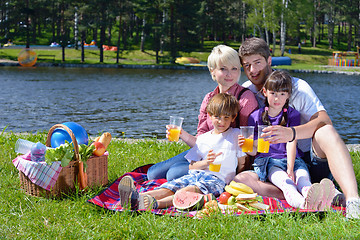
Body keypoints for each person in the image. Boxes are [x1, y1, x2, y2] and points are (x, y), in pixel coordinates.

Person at [235, 37, 360, 218]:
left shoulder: (298, 87)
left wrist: (291, 133)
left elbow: (325, 119)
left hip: (307, 161)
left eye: (257, 63)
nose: (253, 70)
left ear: (269, 61)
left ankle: (352, 200)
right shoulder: (247, 92)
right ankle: (313, 195)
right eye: (247, 65)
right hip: (271, 166)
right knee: (242, 181)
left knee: (326, 131)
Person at [146, 45, 258, 181]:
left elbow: (248, 140)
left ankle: (181, 171)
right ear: (213, 71)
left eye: (234, 68)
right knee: (152, 174)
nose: (229, 74)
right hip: (205, 152)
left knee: (173, 174)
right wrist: (181, 134)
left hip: (226, 159)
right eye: (223, 69)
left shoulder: (245, 98)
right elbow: (201, 140)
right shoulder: (209, 98)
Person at [119, 93, 246, 209]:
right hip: (196, 174)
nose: (221, 121)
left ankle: (154, 203)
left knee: (186, 191)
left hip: (217, 180)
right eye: (217, 117)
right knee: (171, 187)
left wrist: (234, 179)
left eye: (226, 117)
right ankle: (135, 197)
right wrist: (206, 163)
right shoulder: (203, 138)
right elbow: (192, 166)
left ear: (233, 118)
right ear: (210, 116)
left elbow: (241, 163)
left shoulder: (235, 135)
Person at [239, 70, 336, 210]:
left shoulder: (292, 115)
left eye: (282, 94)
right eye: (273, 93)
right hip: (270, 162)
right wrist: (245, 145)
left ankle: (317, 197)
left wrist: (290, 167)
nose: (277, 99)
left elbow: (292, 141)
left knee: (303, 179)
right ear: (265, 92)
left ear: (288, 95)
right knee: (287, 183)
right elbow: (255, 151)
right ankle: (304, 204)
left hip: (294, 159)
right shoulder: (256, 116)